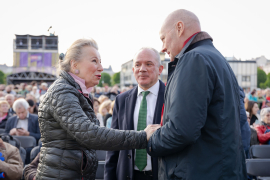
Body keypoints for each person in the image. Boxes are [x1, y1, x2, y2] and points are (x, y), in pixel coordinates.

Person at [36, 38, 160, 180]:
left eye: (100, 62)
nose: (100, 67)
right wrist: (142, 136)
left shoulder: (75, 92)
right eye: (94, 61)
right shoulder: (62, 92)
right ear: (74, 64)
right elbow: (90, 134)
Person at [146, 9, 247, 179]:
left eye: (163, 38)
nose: (163, 47)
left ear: (179, 28)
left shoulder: (194, 59)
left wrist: (151, 139)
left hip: (199, 172)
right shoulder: (218, 59)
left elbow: (182, 131)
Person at [105, 47, 165, 180]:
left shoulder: (171, 97)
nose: (142, 69)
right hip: (127, 175)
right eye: (137, 65)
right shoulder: (121, 100)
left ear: (160, 69)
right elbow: (113, 144)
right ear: (133, 70)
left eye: (148, 64)